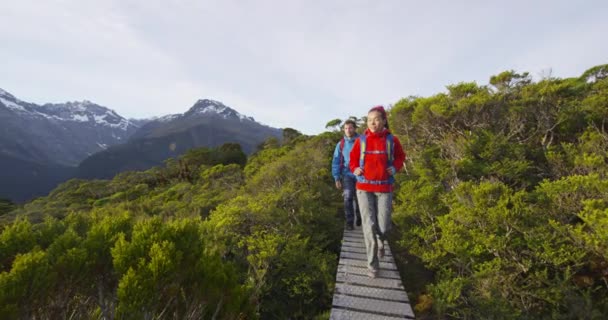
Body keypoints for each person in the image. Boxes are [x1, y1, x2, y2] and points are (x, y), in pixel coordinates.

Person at [350, 105, 406, 278]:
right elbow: (352, 160)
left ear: (383, 120)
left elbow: (400, 157)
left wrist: (395, 168)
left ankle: (381, 241)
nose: (372, 123)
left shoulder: (392, 140)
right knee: (369, 226)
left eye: (376, 119)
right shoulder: (361, 140)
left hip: (384, 188)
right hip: (364, 188)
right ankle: (372, 264)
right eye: (369, 120)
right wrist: (355, 169)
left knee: (383, 225)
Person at [331, 119, 362, 230]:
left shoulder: (362, 141)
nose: (348, 130)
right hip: (347, 174)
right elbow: (336, 161)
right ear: (343, 130)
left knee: (360, 198)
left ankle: (360, 217)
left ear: (354, 128)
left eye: (350, 128)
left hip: (361, 174)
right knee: (348, 197)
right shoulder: (341, 144)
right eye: (346, 128)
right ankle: (349, 222)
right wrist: (337, 178)